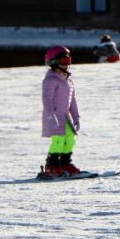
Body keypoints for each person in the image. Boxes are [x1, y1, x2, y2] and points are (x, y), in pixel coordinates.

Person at [41, 46, 83, 176]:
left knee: (71, 139)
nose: (67, 64)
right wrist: (50, 115)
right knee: (58, 140)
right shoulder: (50, 79)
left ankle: (64, 163)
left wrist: (76, 117)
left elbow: (73, 101)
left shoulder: (68, 80)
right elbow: (46, 99)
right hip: (54, 117)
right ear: (53, 62)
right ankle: (51, 166)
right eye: (64, 61)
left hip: (65, 118)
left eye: (69, 60)